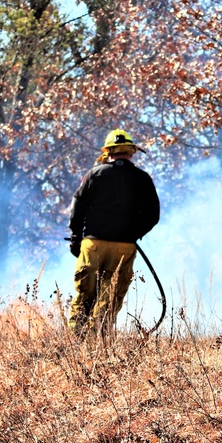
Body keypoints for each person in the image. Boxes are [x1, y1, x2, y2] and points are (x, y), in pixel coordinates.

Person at [68, 129, 160, 339]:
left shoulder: (94, 174)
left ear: (108, 152)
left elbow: (77, 208)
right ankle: (97, 341)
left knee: (85, 294)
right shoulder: (142, 178)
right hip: (124, 247)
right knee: (109, 298)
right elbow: (153, 215)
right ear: (131, 152)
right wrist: (132, 234)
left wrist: (76, 238)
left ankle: (76, 341)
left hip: (93, 245)